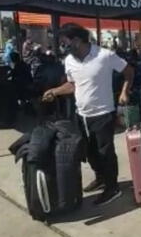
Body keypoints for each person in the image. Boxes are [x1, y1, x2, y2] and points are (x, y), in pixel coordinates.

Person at [43, 24, 134, 205]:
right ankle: (100, 178)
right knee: (89, 152)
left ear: (76, 41)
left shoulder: (105, 56)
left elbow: (129, 72)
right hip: (81, 115)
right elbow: (72, 84)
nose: (62, 46)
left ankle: (112, 187)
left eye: (64, 42)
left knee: (105, 152)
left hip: (103, 114)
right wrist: (55, 91)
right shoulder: (69, 60)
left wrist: (125, 92)